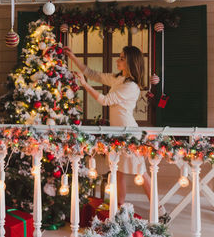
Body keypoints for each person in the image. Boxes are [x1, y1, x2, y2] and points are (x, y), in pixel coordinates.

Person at [64, 45, 167, 216]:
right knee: (118, 170)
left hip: (129, 134)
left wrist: (84, 85)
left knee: (141, 173)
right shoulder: (119, 79)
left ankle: (159, 210)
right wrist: (73, 57)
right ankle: (119, 206)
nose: (117, 60)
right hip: (118, 133)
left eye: (121, 58)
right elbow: (93, 73)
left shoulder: (131, 86)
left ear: (130, 63)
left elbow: (105, 100)